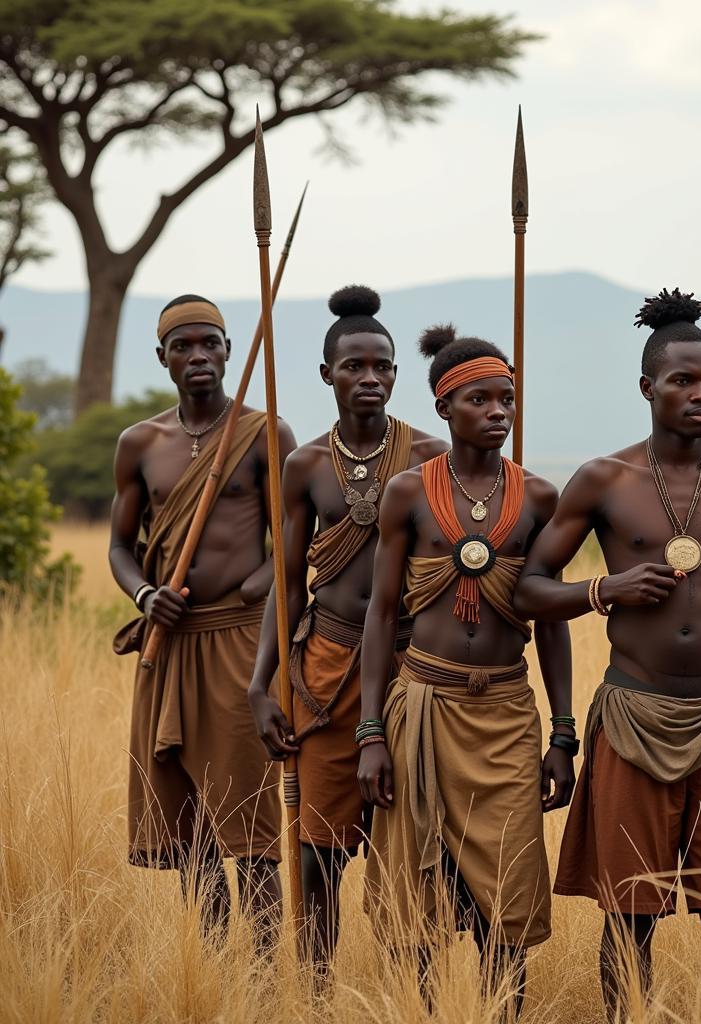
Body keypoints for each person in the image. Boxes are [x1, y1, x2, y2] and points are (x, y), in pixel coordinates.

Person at [513, 289, 701, 1018]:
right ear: (648, 388)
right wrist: (604, 588)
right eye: (684, 381)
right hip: (634, 716)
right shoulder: (605, 481)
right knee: (630, 912)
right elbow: (526, 590)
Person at [357, 324, 574, 1015]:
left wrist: (563, 735)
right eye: (481, 400)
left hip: (506, 714)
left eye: (507, 399)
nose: (499, 412)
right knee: (415, 891)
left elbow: (550, 622)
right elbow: (381, 615)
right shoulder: (407, 494)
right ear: (445, 409)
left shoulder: (539, 498)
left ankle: (500, 1013)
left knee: (506, 890)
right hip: (421, 707)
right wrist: (370, 732)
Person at [247, 285, 446, 971]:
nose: (370, 378)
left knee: (419, 842)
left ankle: (417, 990)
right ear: (327, 373)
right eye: (355, 366)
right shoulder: (304, 465)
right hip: (325, 665)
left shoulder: (431, 455)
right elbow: (286, 580)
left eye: (382, 366)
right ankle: (318, 989)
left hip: (414, 664)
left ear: (396, 374)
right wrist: (259, 685)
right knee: (314, 849)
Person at [109, 294, 295, 946]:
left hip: (241, 643)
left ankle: (266, 984)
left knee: (251, 824)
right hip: (167, 644)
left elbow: (298, 537)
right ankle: (216, 975)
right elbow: (119, 548)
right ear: (162, 358)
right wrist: (143, 596)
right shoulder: (141, 443)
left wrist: (261, 581)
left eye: (209, 343)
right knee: (189, 827)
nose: (198, 357)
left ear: (227, 350)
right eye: (183, 346)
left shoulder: (264, 433)